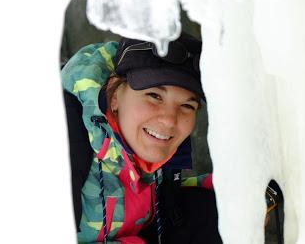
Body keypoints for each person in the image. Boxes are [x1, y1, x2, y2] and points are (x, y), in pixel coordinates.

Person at [62, 32, 221, 244]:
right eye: (154, 95)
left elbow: (162, 196)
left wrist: (232, 192)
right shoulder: (63, 135)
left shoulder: (148, 139)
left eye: (187, 105)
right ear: (115, 93)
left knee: (216, 213)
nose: (169, 120)